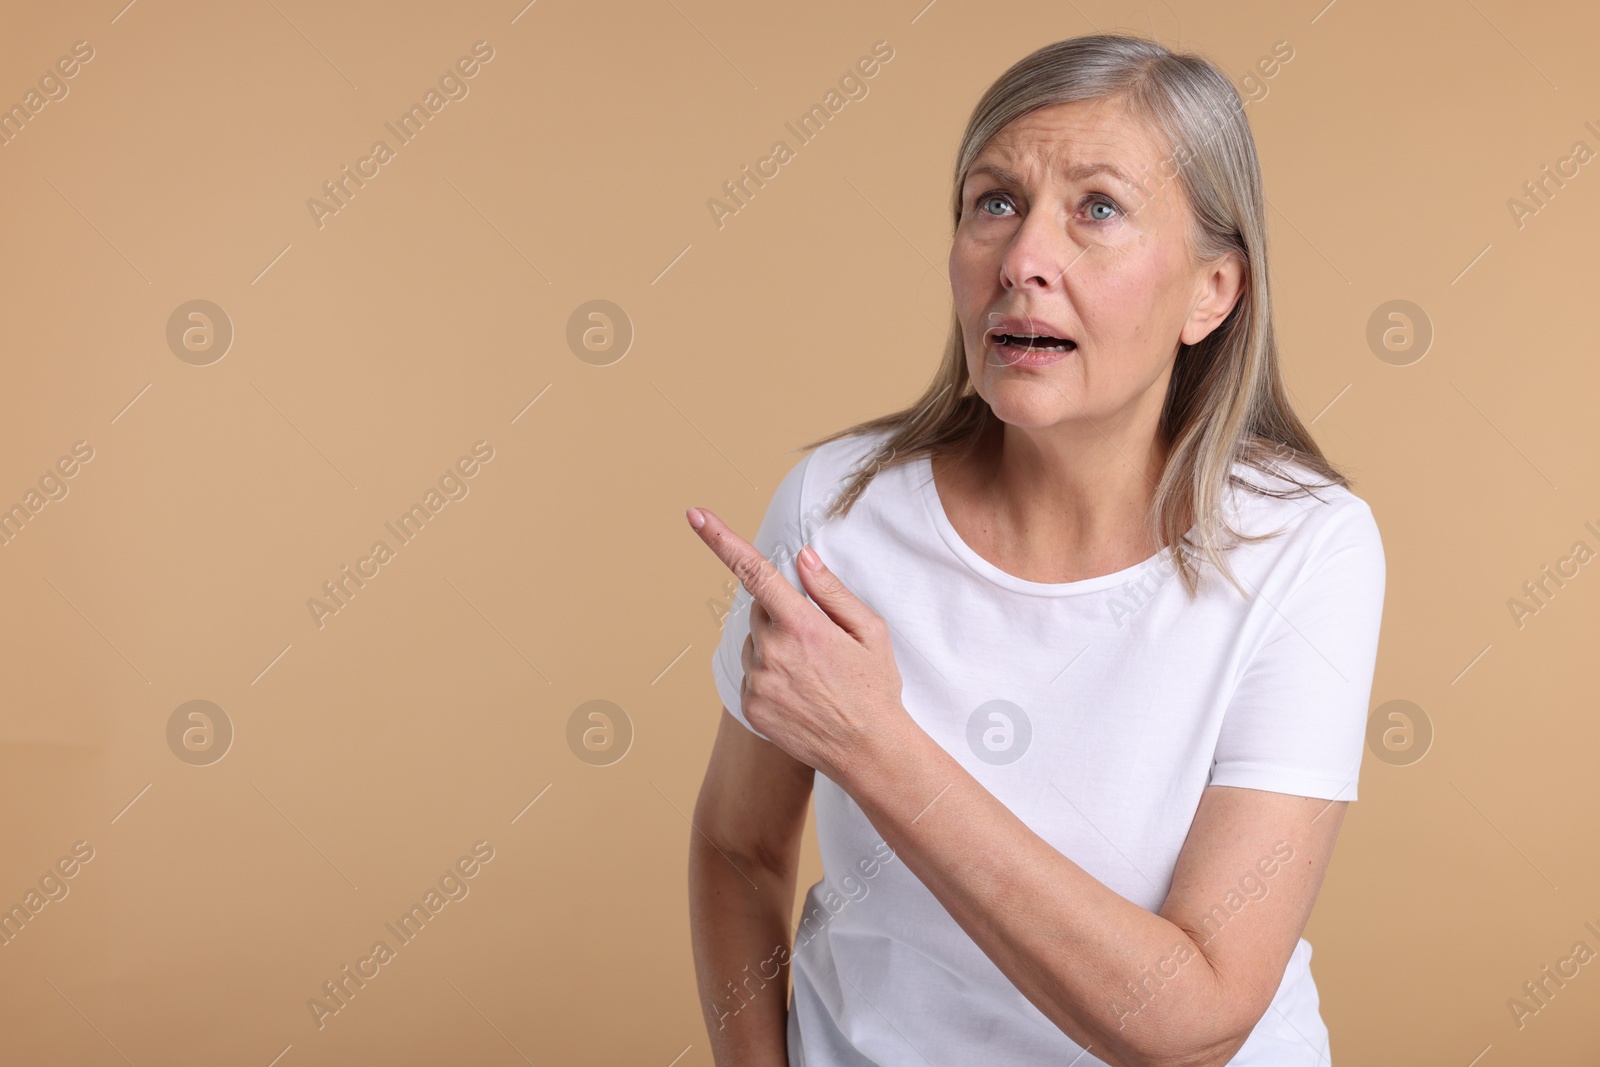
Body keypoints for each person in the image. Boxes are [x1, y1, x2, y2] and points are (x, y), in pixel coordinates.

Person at [686, 32, 1386, 1067]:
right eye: (993, 201)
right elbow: (737, 851)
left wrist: (872, 741)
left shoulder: (1305, 545)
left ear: (1212, 291)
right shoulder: (835, 510)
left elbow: (1190, 1019)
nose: (1022, 260)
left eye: (1096, 208)